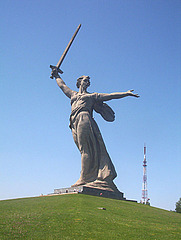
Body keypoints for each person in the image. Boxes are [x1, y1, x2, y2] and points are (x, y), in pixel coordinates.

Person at [52, 70, 139, 190]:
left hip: (84, 119)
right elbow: (62, 85)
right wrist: (56, 75)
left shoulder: (91, 96)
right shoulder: (73, 95)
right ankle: (89, 175)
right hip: (73, 122)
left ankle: (84, 178)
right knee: (82, 149)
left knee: (85, 149)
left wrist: (126, 93)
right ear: (79, 82)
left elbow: (110, 96)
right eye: (85, 80)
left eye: (89, 81)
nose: (88, 82)